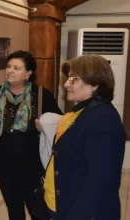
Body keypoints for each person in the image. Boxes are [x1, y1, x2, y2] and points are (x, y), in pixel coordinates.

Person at [0, 50, 62, 220]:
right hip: (2, 161)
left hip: (32, 163)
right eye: (9, 66)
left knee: (36, 208)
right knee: (13, 207)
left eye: (17, 68)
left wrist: (45, 126)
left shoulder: (41, 95)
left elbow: (60, 123)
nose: (10, 71)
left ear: (28, 74)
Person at [42, 54, 126, 220]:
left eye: (74, 79)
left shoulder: (103, 119)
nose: (66, 84)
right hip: (65, 204)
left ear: (95, 85)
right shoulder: (82, 111)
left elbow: (99, 182)